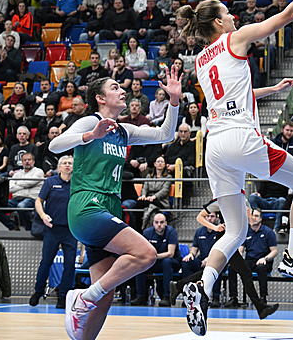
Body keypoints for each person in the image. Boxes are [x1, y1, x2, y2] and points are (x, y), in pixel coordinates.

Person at [174, 0, 293, 335]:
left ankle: (202, 287)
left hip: (214, 143)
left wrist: (273, 90)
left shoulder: (202, 59)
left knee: (233, 229)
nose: (233, 16)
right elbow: (285, 15)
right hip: (240, 136)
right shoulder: (234, 37)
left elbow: (233, 93)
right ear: (218, 22)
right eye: (227, 13)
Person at [49, 67, 181, 340]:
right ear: (99, 98)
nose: (122, 91)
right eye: (115, 88)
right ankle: (83, 297)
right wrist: (90, 136)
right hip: (87, 206)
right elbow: (55, 146)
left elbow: (165, 135)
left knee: (106, 293)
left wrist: (175, 101)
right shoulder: (89, 122)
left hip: (109, 207)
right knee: (146, 254)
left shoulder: (124, 130)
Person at [170, 200, 279, 319]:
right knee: (245, 273)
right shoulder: (221, 201)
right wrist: (215, 228)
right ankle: (261, 308)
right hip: (225, 237)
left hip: (235, 237)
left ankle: (179, 286)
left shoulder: (244, 200)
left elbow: (251, 222)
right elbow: (200, 217)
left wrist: (248, 215)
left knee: (214, 271)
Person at [29, 156, 76, 309]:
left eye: (70, 163)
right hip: (52, 229)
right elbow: (38, 201)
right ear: (59, 167)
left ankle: (62, 296)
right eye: (64, 163)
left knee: (70, 265)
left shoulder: (78, 183)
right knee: (46, 262)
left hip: (71, 230)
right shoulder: (50, 182)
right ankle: (38, 291)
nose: (67, 165)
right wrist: (43, 216)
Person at [131, 212, 181, 307]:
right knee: (140, 264)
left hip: (172, 262)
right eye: (157, 222)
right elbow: (144, 251)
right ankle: (141, 296)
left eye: (161, 222)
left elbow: (170, 253)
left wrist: (154, 256)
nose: (159, 225)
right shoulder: (147, 233)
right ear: (153, 223)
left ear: (166, 223)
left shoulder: (171, 232)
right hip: (155, 261)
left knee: (167, 262)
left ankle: (167, 297)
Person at [229, 208, 277, 305]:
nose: (254, 218)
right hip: (250, 260)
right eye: (252, 215)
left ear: (260, 218)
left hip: (263, 261)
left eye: (256, 216)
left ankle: (263, 298)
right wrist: (239, 257)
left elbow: (274, 251)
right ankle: (233, 297)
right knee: (232, 267)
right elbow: (241, 248)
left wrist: (265, 258)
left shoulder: (268, 232)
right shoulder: (245, 231)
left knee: (261, 268)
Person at [0, 152, 44, 231]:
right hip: (16, 198)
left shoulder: (38, 171)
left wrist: (17, 183)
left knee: (21, 207)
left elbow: (31, 182)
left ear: (33, 161)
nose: (27, 162)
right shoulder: (17, 174)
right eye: (24, 160)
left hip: (31, 198)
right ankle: (13, 226)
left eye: (29, 160)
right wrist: (25, 185)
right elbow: (10, 188)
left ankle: (29, 229)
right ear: (22, 162)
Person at [181, 210, 221, 307]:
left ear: (216, 218)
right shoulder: (199, 232)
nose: (209, 218)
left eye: (212, 216)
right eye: (207, 216)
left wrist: (210, 259)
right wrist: (190, 255)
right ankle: (188, 295)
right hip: (202, 261)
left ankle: (216, 297)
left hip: (216, 260)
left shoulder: (220, 231)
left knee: (218, 267)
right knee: (187, 263)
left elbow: (221, 251)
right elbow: (194, 250)